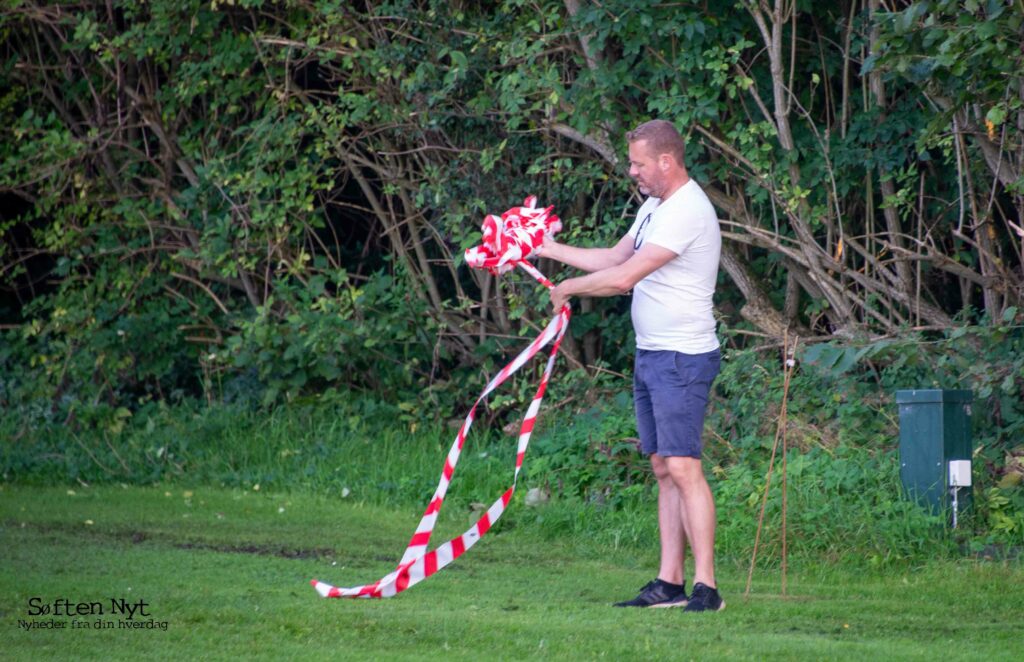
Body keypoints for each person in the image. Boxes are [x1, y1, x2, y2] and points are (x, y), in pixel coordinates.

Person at [540, 119, 724, 611]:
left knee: (685, 467)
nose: (633, 171)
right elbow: (612, 257)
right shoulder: (652, 207)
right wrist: (546, 249)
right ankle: (669, 583)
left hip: (683, 357)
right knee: (664, 468)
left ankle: (707, 588)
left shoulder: (687, 210)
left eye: (639, 163)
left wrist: (567, 288)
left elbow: (625, 278)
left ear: (667, 161)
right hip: (652, 353)